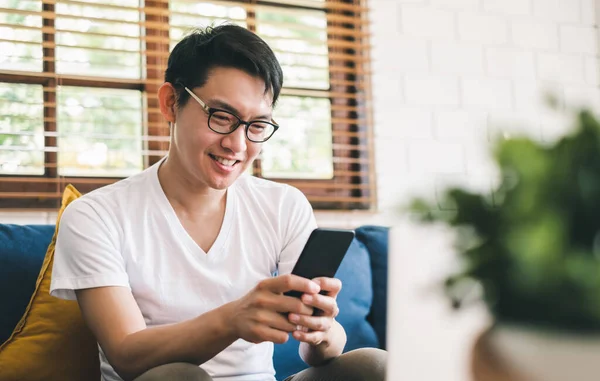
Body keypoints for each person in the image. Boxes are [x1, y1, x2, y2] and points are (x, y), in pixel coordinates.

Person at [49, 24, 386, 381]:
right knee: (180, 377)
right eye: (222, 117)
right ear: (170, 103)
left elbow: (317, 351)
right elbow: (127, 354)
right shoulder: (95, 215)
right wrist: (232, 318)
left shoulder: (283, 204)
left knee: (374, 366)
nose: (237, 145)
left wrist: (323, 333)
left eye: (256, 125)